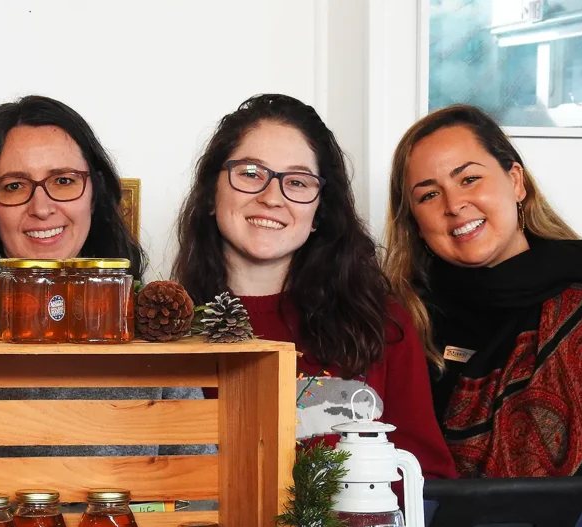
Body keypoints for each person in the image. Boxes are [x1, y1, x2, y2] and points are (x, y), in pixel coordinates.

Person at [0, 95, 204, 459]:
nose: (42, 208)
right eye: (14, 186)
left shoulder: (155, 334)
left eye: (64, 180)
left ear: (93, 195)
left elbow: (202, 493)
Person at [383, 104, 582, 527]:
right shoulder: (405, 324)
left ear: (515, 181)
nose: (455, 205)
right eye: (428, 195)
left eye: (469, 178)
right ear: (414, 221)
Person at [172, 94, 456, 480]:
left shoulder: (381, 324)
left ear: (319, 212)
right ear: (210, 194)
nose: (272, 197)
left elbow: (426, 478)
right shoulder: (164, 331)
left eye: (298, 181)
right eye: (251, 173)